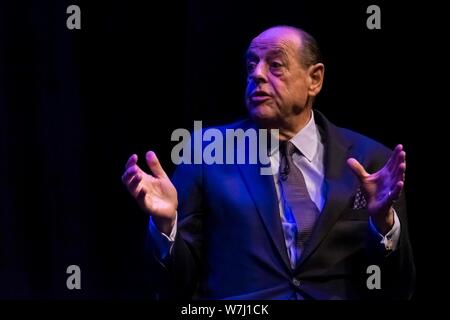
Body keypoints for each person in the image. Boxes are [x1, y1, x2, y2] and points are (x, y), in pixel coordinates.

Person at [121, 26, 415, 299]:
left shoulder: (371, 159)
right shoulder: (207, 151)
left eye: (275, 65)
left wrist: (382, 223)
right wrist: (165, 224)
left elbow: (399, 288)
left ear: (315, 79)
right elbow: (176, 283)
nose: (257, 75)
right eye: (251, 65)